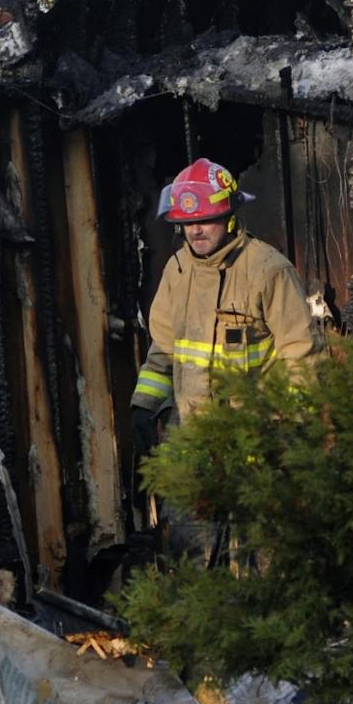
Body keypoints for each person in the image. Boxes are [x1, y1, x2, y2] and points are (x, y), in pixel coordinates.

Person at [128, 158, 324, 563]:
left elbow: (301, 355)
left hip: (254, 430)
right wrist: (144, 406)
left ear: (230, 215)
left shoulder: (267, 269)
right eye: (187, 221)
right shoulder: (177, 269)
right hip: (193, 432)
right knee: (189, 541)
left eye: (207, 219)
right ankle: (206, 621)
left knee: (261, 545)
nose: (196, 230)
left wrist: (289, 428)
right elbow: (164, 349)